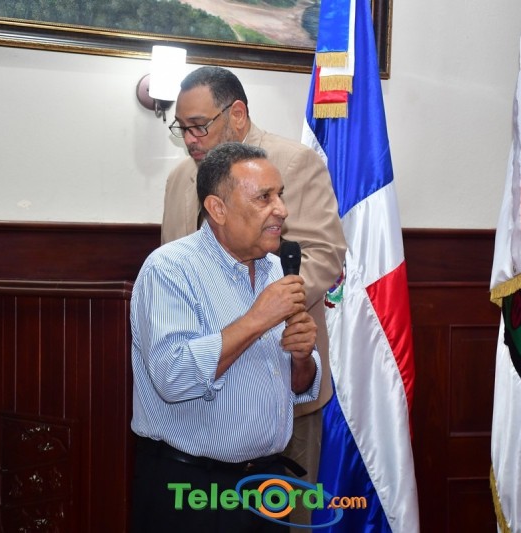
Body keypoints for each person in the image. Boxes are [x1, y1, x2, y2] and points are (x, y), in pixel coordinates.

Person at [161, 67, 346, 527]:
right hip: (199, 390)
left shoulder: (293, 163)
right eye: (182, 128)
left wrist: (251, 314)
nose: (190, 140)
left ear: (237, 114)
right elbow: (172, 265)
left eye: (199, 126)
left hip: (280, 380)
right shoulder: (180, 178)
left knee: (281, 520)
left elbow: (323, 256)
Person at [131, 143, 321, 532]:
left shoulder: (276, 270)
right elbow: (173, 377)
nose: (281, 209)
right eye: (264, 197)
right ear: (218, 209)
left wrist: (303, 359)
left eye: (280, 195)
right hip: (191, 489)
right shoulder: (170, 270)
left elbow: (298, 386)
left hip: (266, 486)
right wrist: (257, 319)